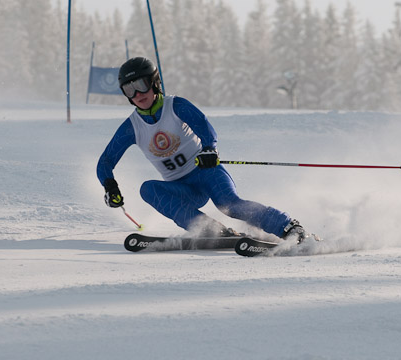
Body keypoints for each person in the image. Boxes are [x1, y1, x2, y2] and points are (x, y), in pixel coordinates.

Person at [97, 57, 307, 242]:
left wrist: (209, 149)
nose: (137, 94)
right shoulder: (131, 127)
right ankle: (212, 230)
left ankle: (287, 226)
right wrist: (109, 186)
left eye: (141, 84)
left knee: (229, 205)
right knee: (147, 189)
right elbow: (105, 161)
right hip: (183, 189)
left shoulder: (176, 106)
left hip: (207, 172)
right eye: (129, 89)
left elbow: (205, 127)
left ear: (154, 83)